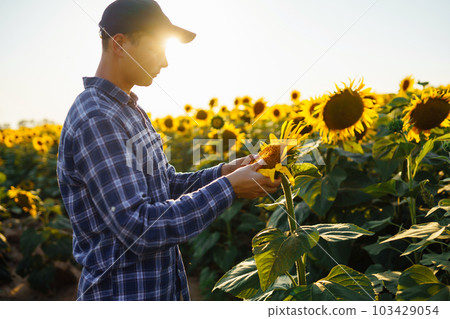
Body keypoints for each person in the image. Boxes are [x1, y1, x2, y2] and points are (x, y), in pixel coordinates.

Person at [57, 0, 281, 301]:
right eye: (157, 49)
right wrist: (228, 188)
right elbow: (138, 227)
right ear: (120, 44)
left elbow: (165, 185)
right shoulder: (97, 117)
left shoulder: (129, 111)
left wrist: (223, 172)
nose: (164, 62)